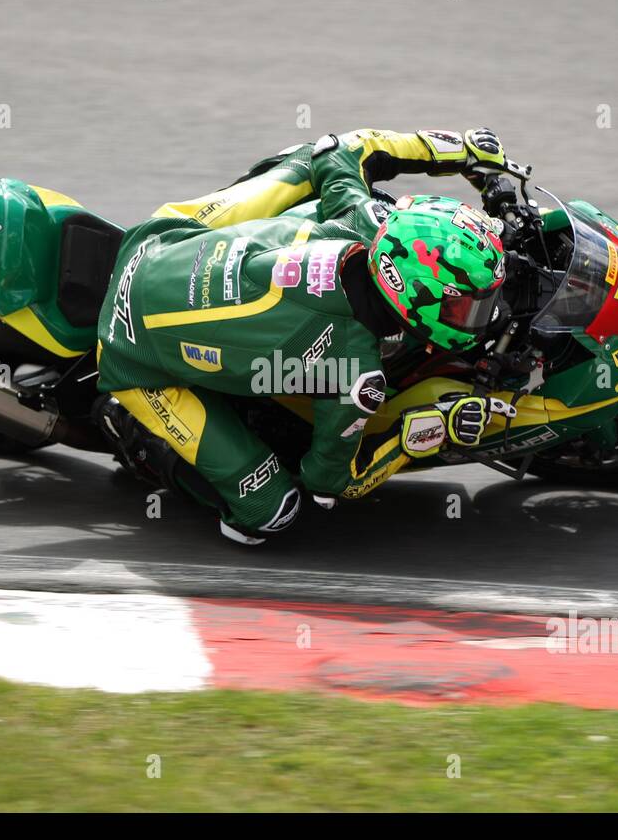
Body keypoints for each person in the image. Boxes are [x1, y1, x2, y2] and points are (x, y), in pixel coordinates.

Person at [95, 128, 514, 544]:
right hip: (131, 349)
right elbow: (330, 484)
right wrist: (431, 430)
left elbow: (345, 148)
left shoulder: (359, 218)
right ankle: (133, 434)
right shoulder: (355, 373)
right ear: (415, 293)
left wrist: (459, 152)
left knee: (313, 156)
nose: (483, 315)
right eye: (466, 306)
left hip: (159, 237)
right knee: (268, 513)